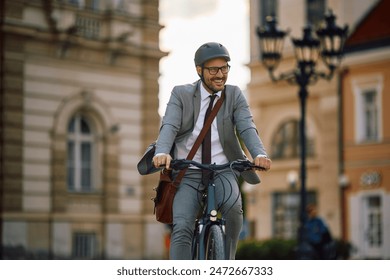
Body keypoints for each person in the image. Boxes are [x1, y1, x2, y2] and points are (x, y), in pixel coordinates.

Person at [153, 42, 272, 260]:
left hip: (224, 169)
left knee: (235, 212)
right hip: (188, 171)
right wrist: (163, 152)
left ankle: (227, 264)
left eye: (224, 68)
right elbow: (169, 125)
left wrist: (259, 154)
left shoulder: (234, 95)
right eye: (213, 70)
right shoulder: (181, 94)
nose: (220, 74)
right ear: (199, 70)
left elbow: (246, 126)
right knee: (182, 227)